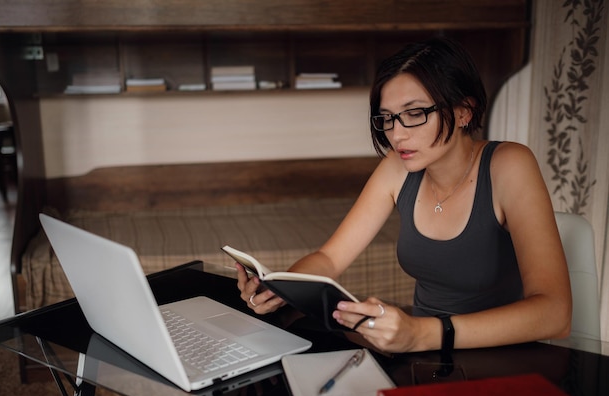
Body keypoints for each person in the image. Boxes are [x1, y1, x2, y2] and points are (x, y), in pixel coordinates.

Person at [236, 36, 572, 354]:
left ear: (463, 112)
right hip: (421, 354)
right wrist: (281, 286)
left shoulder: (509, 165)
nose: (397, 134)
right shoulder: (398, 168)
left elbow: (555, 313)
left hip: (504, 357)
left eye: (415, 114)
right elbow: (330, 259)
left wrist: (423, 334)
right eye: (388, 119)